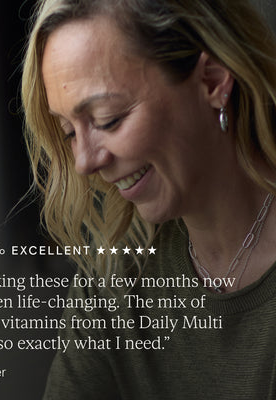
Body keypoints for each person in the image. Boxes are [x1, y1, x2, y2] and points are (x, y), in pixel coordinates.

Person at [21, 0, 276, 398]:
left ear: (212, 81)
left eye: (108, 119)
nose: (84, 162)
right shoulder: (116, 279)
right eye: (69, 131)